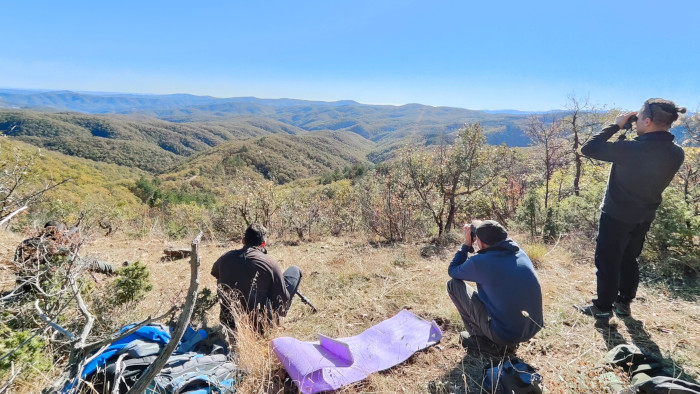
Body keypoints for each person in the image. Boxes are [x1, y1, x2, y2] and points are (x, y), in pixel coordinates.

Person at [576, 98, 686, 321]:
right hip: (644, 215)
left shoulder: (631, 149)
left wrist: (616, 125)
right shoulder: (677, 153)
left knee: (608, 261)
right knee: (629, 258)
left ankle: (603, 307)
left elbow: (588, 148)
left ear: (646, 120)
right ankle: (624, 303)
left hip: (616, 214)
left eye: (639, 118)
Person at [447, 220, 543, 355]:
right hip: (532, 328)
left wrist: (467, 245)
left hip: (506, 335)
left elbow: (453, 270)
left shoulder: (481, 262)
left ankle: (484, 342)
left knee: (453, 285)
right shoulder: (520, 253)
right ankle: (503, 339)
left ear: (480, 242)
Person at [211, 223, 302, 332]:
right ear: (263, 244)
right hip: (261, 327)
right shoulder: (270, 263)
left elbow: (215, 273)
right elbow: (281, 304)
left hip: (229, 322)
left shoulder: (225, 257)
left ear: (243, 240)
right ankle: (271, 321)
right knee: (295, 270)